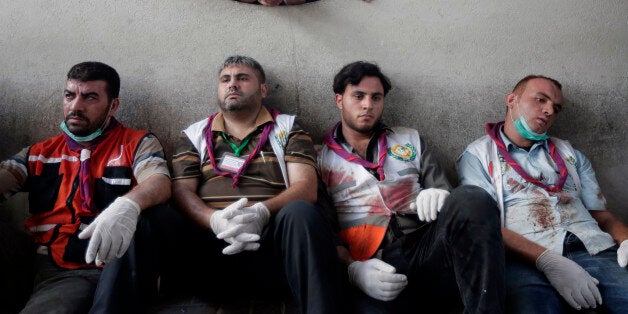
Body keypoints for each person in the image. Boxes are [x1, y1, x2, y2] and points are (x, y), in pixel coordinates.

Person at [317, 61, 505, 313]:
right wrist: (353, 269)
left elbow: (450, 198)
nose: (367, 105)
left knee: (473, 197)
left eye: (376, 97)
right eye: (358, 96)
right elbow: (324, 229)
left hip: (427, 247)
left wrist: (440, 194)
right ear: (339, 100)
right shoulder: (320, 158)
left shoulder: (409, 139)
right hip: (374, 266)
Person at [170, 55, 339, 313]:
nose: (232, 85)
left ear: (263, 89)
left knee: (301, 212)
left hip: (272, 248)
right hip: (211, 249)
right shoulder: (194, 134)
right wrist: (214, 219)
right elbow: (181, 191)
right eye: (225, 79)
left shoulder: (288, 128)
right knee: (155, 216)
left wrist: (260, 212)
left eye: (242, 78)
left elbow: (306, 188)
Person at [0, 61, 172, 313]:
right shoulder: (41, 153)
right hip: (57, 267)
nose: (76, 106)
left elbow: (158, 182)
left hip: (113, 264)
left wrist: (127, 205)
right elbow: (7, 176)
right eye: (70, 95)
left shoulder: (136, 143)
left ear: (113, 105)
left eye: (90, 97)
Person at [457, 75, 628, 313]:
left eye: (556, 108)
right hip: (524, 258)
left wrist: (626, 239)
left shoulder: (571, 155)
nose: (549, 111)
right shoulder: (477, 156)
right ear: (511, 100)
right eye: (540, 100)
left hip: (593, 248)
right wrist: (547, 260)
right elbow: (484, 226)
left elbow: (603, 215)